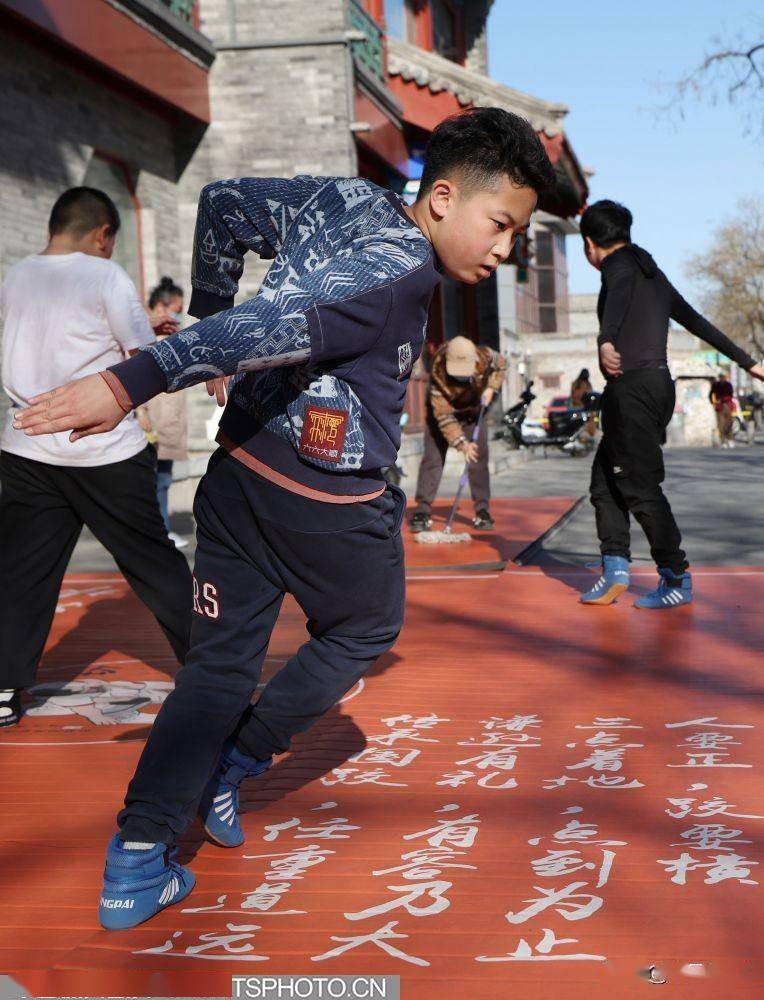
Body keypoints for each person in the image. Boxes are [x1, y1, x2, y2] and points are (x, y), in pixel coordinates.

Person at [13, 108, 554, 927]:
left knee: (217, 669)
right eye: (501, 225)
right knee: (366, 632)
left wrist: (202, 311)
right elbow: (279, 322)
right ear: (444, 198)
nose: (504, 249)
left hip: (236, 480)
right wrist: (134, 380)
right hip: (330, 506)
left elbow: (225, 202)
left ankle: (135, 861)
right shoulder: (399, 269)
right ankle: (239, 759)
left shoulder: (339, 199)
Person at [0, 188, 193, 729]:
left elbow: (59, 341)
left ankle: (5, 690)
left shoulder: (17, 275)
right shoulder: (106, 275)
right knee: (154, 564)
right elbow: (139, 360)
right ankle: (209, 671)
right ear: (104, 234)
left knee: (21, 574)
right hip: (102, 448)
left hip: (26, 447)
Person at [578, 200, 764, 609]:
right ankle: (615, 567)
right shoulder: (652, 271)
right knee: (604, 480)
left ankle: (675, 575)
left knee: (639, 486)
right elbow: (696, 320)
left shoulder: (619, 267)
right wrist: (748, 362)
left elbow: (618, 297)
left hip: (632, 391)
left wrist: (605, 339)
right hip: (656, 386)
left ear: (589, 245)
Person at [411, 335, 505, 532]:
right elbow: (444, 417)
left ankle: (482, 510)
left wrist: (491, 388)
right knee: (433, 458)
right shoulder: (437, 372)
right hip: (442, 414)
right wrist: (462, 444)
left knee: (478, 458)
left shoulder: (485, 356)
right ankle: (423, 509)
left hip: (473, 412)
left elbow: (502, 364)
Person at [139, 277, 189, 547]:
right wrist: (141, 412)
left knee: (164, 477)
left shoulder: (170, 335)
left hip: (168, 421)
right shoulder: (146, 337)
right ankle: (159, 533)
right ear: (160, 307)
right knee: (156, 479)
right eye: (176, 308)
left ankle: (163, 529)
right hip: (154, 421)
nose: (177, 314)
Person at [709, 371, 736, 448]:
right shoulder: (716, 385)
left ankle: (730, 439)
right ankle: (723, 441)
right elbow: (711, 394)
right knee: (720, 424)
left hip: (727, 404)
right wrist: (713, 403)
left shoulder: (728, 384)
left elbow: (731, 394)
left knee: (729, 423)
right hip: (719, 406)